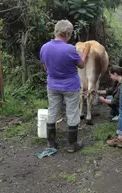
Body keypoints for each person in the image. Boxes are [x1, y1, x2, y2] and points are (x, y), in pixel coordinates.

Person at [40, 20, 90, 153]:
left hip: (52, 85)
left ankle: (51, 143)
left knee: (52, 111)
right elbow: (81, 65)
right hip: (70, 86)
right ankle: (72, 145)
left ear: (56, 31)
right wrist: (84, 55)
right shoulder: (70, 49)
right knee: (72, 112)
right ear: (68, 34)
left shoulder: (44, 47)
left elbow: (45, 67)